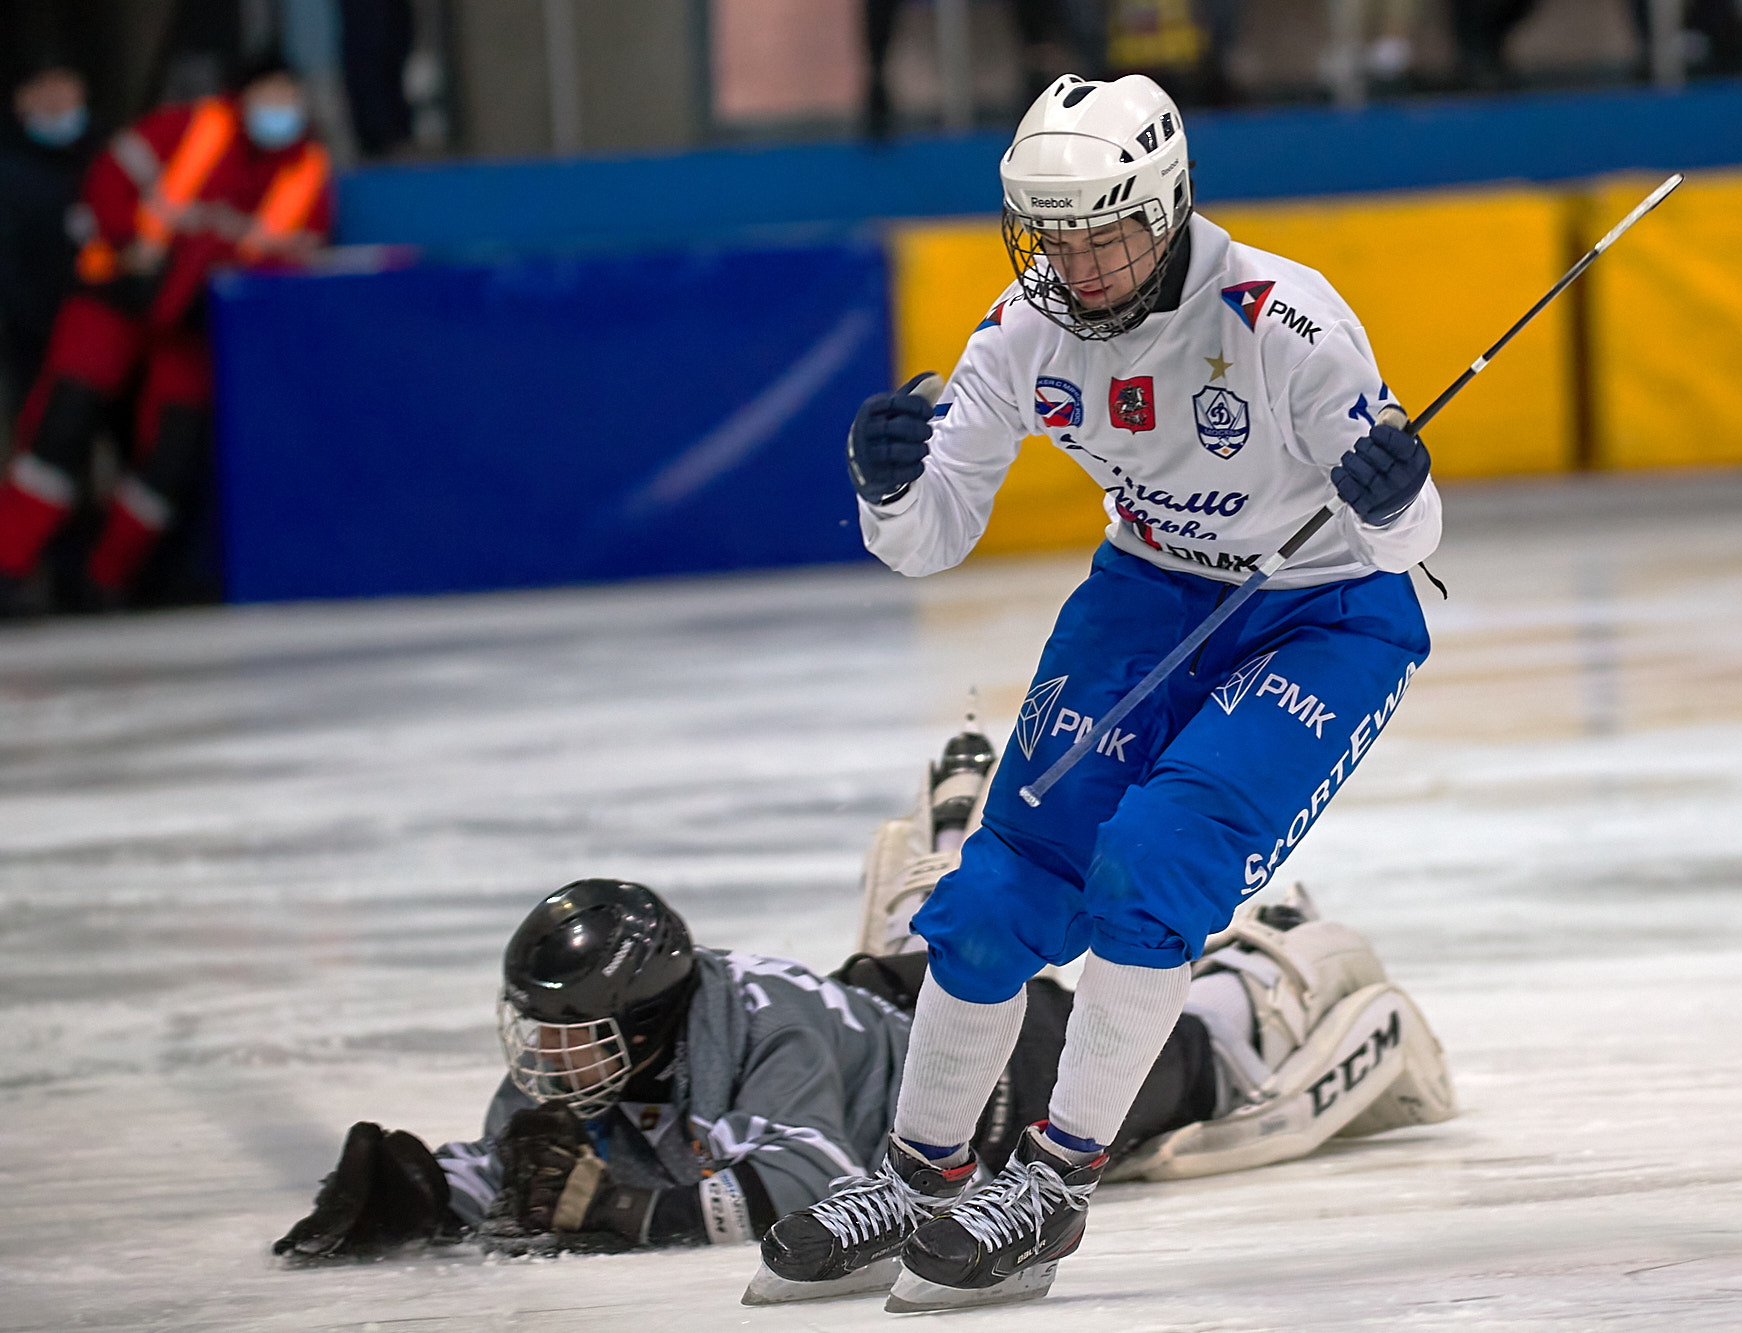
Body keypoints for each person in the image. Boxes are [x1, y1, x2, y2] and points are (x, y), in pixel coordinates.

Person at [800, 72, 1443, 1311]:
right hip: (1148, 590)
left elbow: (1407, 537)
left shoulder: (1284, 322)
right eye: (1054, 239)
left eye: (1108, 234)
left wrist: (1390, 494)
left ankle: (1052, 1182)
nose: (1081, 267)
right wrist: (886, 486)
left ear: (1169, 203)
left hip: (1319, 615)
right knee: (990, 894)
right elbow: (928, 538)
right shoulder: (1024, 330)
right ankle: (919, 1177)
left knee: (1152, 860)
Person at [270, 728, 1455, 1287]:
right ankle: (955, 832)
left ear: (638, 1018)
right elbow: (516, 1162)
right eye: (536, 1030)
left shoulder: (764, 1040)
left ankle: (1269, 959)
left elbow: (816, 1184)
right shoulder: (608, 1059)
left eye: (568, 1031)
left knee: (1179, 1059)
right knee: (933, 939)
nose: (544, 1059)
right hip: (885, 1009)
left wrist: (630, 1212)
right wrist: (418, 1183)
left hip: (1000, 1080)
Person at [0, 56, 330, 614]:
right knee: (62, 425)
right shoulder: (193, 128)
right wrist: (129, 244)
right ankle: (10, 568)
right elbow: (112, 177)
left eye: (287, 96)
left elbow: (301, 248)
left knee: (173, 454)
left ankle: (107, 578)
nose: (278, 108)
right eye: (268, 94)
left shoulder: (304, 169)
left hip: (194, 321)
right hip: (120, 295)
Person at [0, 56, 98, 424]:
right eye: (44, 89)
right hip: (34, 332)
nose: (57, 99)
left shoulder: (107, 155)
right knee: (41, 429)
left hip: (104, 322)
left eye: (65, 86)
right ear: (21, 100)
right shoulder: (10, 169)